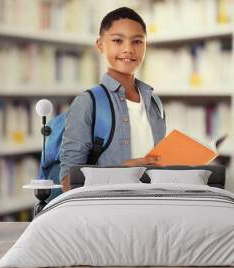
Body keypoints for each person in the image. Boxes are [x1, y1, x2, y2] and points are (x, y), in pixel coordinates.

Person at [59, 7, 166, 192]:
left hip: (151, 207)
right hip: (108, 211)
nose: (128, 49)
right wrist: (125, 171)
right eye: (118, 40)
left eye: (137, 41)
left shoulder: (155, 102)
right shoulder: (88, 103)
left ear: (146, 45)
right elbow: (69, 182)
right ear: (100, 44)